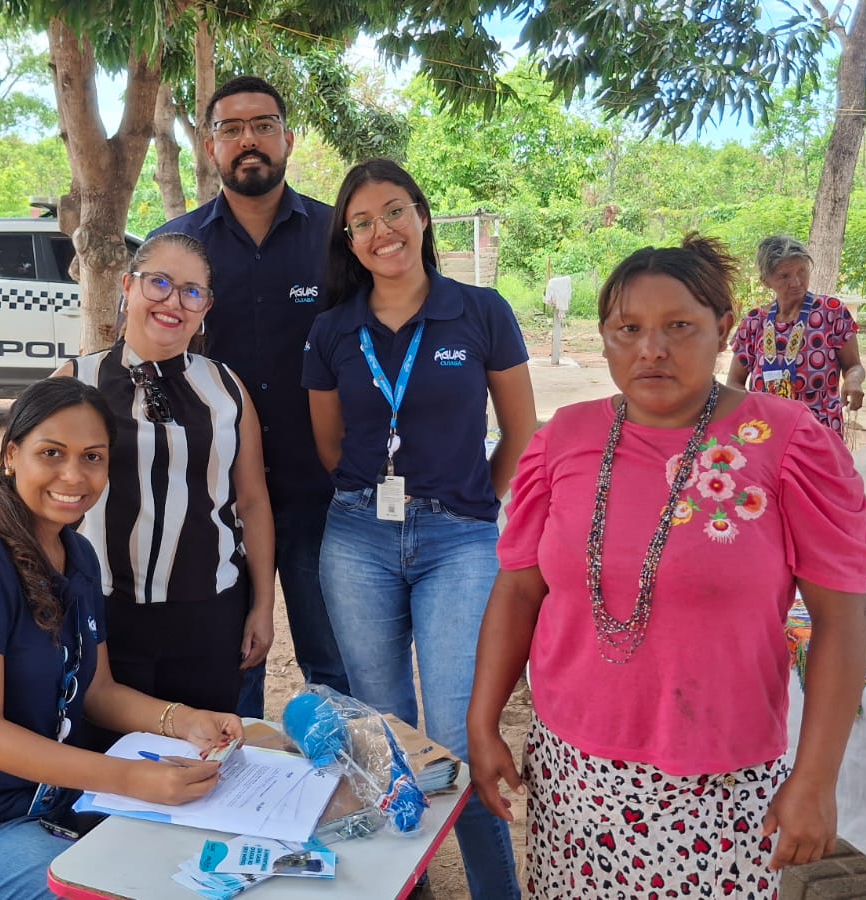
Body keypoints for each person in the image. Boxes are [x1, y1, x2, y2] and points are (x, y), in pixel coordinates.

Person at [469, 235, 866, 898]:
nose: (651, 349)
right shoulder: (563, 438)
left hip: (720, 783)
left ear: (725, 329)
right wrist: (483, 723)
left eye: (679, 326)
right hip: (572, 773)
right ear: (605, 338)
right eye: (628, 329)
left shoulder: (789, 443)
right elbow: (518, 590)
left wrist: (816, 779)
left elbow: (842, 617)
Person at [0, 378, 242, 900]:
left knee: (206, 868)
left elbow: (97, 691)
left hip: (46, 813)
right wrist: (131, 779)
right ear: (11, 455)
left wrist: (183, 719)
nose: (74, 475)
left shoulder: (78, 555)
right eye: (51, 453)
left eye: (92, 457)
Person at [303, 157, 536, 899]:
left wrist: (472, 503)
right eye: (362, 222)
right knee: (385, 735)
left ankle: (496, 891)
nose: (382, 231)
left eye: (394, 211)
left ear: (423, 215)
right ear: (348, 240)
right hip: (357, 540)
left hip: (459, 541)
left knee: (462, 736)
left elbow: (521, 431)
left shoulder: (481, 311)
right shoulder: (332, 329)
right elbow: (331, 447)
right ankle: (411, 887)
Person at [151, 75, 351, 718]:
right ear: (210, 146)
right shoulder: (179, 248)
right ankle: (241, 777)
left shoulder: (338, 237)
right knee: (231, 665)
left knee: (334, 666)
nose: (248, 140)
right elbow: (150, 357)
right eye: (231, 129)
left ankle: (339, 777)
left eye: (263, 126)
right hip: (214, 498)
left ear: (288, 139)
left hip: (322, 493)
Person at [57, 232, 274, 718]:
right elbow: (19, 502)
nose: (173, 302)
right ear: (127, 286)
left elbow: (253, 502)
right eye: (159, 283)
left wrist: (262, 606)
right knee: (107, 751)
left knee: (206, 748)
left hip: (209, 615)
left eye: (191, 291)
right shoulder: (76, 382)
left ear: (206, 307)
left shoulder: (226, 389)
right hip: (103, 613)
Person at [728, 234, 865, 433]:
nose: (796, 282)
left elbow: (854, 366)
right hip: (766, 431)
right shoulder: (754, 321)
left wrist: (853, 380)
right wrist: (751, 412)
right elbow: (734, 382)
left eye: (802, 271)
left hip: (819, 431)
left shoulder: (831, 312)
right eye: (784, 276)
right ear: (766, 281)